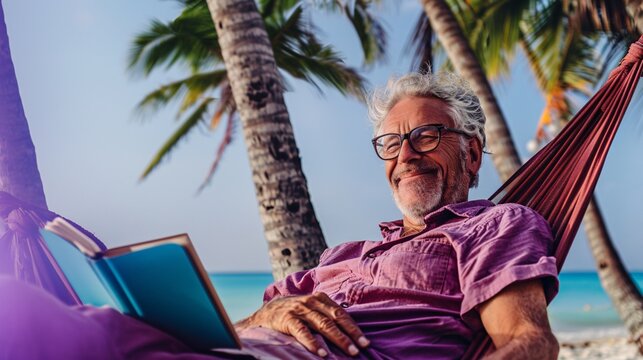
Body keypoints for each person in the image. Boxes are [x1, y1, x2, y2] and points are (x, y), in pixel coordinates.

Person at [0, 71, 559, 359]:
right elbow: (236, 326)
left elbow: (530, 342)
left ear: (472, 153)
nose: (405, 155)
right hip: (238, 350)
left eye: (425, 136)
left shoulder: (495, 225)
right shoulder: (342, 259)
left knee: (26, 315)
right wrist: (270, 315)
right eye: (390, 143)